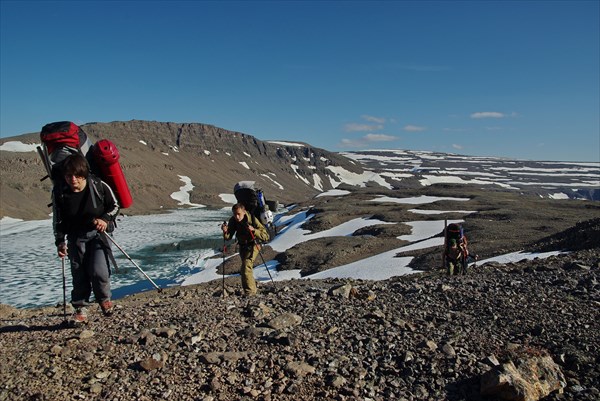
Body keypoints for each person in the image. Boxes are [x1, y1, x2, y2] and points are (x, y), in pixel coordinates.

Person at [53, 153, 120, 324]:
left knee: (99, 271)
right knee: (79, 273)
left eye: (77, 175)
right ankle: (81, 309)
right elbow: (58, 219)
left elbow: (115, 205)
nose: (73, 179)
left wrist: (104, 219)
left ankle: (104, 300)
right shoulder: (60, 191)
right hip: (75, 237)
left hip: (98, 235)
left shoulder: (98, 185)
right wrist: (60, 241)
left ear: (84, 173)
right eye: (68, 175)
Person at [221, 203, 270, 296]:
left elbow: (266, 236)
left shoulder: (252, 219)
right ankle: (252, 289)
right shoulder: (233, 220)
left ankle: (250, 293)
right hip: (243, 247)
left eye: (238, 214)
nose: (237, 216)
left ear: (244, 212)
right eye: (234, 214)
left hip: (254, 245)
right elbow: (228, 237)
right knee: (246, 268)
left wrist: (254, 230)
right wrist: (225, 231)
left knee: (246, 266)